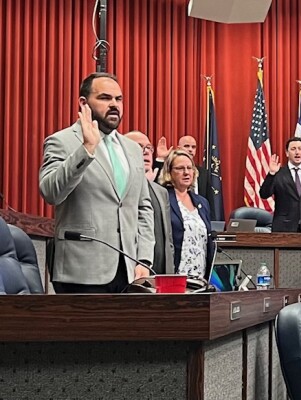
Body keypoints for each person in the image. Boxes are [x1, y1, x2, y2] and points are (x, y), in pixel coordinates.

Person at [39, 72, 154, 293]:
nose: (114, 105)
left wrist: (144, 259)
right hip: (81, 273)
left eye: (118, 99)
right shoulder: (61, 141)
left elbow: (143, 208)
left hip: (129, 273)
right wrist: (86, 150)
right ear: (84, 103)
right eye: (104, 98)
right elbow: (50, 192)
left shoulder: (132, 149)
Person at [125, 131, 175, 274]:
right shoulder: (119, 185)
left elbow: (168, 240)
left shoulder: (161, 192)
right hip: (131, 271)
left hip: (160, 274)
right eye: (139, 146)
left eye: (149, 148)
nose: (146, 151)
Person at [160, 149, 214, 276]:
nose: (186, 172)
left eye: (189, 168)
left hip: (200, 276)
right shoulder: (163, 198)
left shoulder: (202, 202)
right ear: (169, 172)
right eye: (180, 168)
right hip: (174, 273)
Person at [259, 137, 301, 233]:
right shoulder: (278, 174)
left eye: (300, 149)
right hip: (283, 229)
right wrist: (271, 174)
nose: (297, 152)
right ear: (287, 153)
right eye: (293, 149)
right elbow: (264, 194)